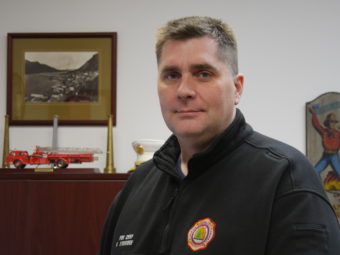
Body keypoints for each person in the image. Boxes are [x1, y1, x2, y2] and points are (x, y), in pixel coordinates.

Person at [99, 16, 340, 255]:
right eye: (171, 75)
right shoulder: (138, 185)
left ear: (237, 88)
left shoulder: (286, 177)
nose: (184, 90)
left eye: (203, 73)